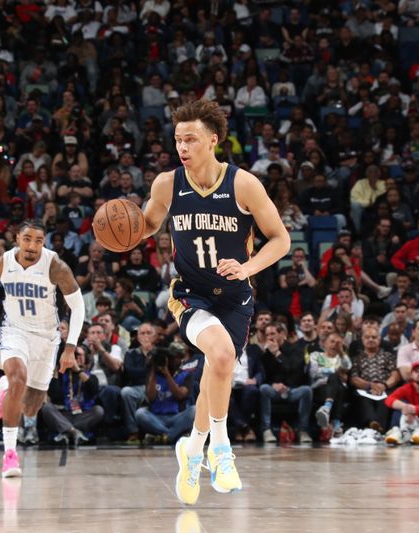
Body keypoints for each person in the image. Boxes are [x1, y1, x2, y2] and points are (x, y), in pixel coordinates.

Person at [139, 99, 290, 504]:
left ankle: (192, 451)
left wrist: (248, 267)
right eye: (177, 140)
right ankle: (221, 451)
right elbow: (147, 225)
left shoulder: (242, 184)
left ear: (213, 140)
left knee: (216, 374)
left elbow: (281, 239)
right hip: (189, 293)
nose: (182, 147)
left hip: (235, 296)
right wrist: (120, 229)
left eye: (190, 139)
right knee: (221, 355)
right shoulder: (167, 183)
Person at [0, 220, 85, 478]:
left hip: (47, 337)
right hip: (14, 330)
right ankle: (10, 455)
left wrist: (70, 348)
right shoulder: (1, 264)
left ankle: (2, 395)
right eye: (27, 239)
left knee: (31, 408)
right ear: (16, 239)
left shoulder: (55, 266)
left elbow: (78, 307)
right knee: (17, 378)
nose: (32, 245)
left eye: (38, 241)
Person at [259, 322, 313, 444]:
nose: (269, 337)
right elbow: (263, 375)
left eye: (272, 333)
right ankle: (266, 430)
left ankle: (303, 430)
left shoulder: (296, 349)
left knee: (306, 390)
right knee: (264, 388)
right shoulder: (265, 353)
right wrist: (273, 384)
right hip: (274, 391)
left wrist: (277, 354)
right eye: (267, 335)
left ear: (282, 334)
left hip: (292, 389)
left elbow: (294, 371)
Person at [41, 344, 105, 447]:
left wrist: (78, 370)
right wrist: (57, 369)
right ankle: (74, 432)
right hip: (63, 415)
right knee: (47, 408)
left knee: (98, 410)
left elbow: (93, 389)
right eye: (74, 356)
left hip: (82, 415)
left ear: (86, 358)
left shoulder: (90, 376)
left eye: (80, 355)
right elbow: (54, 395)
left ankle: (66, 431)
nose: (76, 358)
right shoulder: (61, 375)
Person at [136, 347, 197, 444]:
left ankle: (161, 437)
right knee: (140, 413)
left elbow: (180, 395)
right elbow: (151, 397)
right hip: (156, 418)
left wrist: (167, 374)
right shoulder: (153, 376)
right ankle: (170, 436)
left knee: (194, 410)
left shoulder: (185, 375)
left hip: (177, 417)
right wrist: (153, 369)